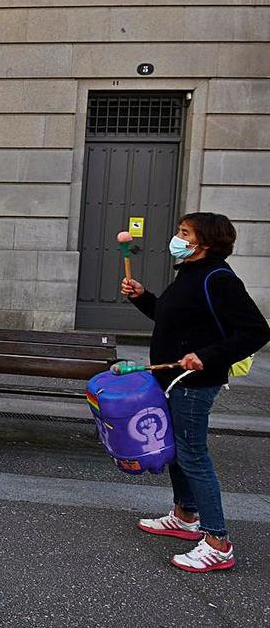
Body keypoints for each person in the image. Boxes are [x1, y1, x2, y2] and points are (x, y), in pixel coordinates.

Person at [122, 212, 269, 573]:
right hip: (172, 380)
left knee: (193, 455)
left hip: (195, 384)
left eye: (184, 232)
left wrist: (206, 356)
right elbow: (171, 318)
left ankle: (218, 542)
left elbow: (256, 331)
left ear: (204, 242)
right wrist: (143, 298)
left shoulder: (219, 279)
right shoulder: (189, 272)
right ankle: (185, 515)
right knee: (178, 450)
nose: (177, 237)